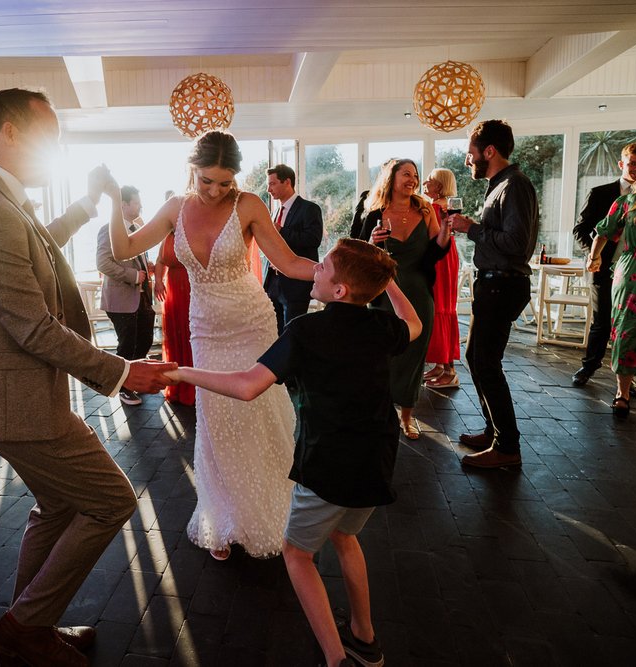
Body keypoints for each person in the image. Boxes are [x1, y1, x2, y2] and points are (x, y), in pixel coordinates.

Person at [0, 88, 175, 667]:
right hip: (16, 401)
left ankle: (32, 630)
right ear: (11, 133)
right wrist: (123, 372)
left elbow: (38, 248)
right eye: (51, 136)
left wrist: (89, 204)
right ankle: (23, 628)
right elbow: (33, 329)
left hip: (13, 396)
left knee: (58, 506)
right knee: (110, 501)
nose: (58, 148)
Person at [165, 239, 421, 667]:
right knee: (345, 535)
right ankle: (364, 636)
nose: (316, 270)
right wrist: (388, 282)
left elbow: (247, 386)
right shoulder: (381, 327)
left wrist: (180, 371)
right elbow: (411, 321)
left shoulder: (305, 330)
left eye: (324, 268)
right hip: (377, 458)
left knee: (297, 555)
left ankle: (336, 659)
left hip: (328, 461)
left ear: (339, 290)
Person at [108, 130, 318, 561]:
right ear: (193, 169)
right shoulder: (174, 209)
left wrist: (340, 271)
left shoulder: (249, 205)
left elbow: (290, 263)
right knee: (216, 422)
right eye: (207, 180)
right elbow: (124, 246)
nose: (216, 190)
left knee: (258, 415)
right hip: (205, 328)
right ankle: (223, 515)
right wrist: (114, 198)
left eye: (225, 182)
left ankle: (273, 509)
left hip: (252, 323)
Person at [449, 119, 539, 469]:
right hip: (493, 282)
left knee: (486, 362)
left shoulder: (514, 185)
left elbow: (518, 244)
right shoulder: (500, 184)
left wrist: (472, 228)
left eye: (470, 154)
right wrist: (477, 228)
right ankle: (494, 431)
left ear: (489, 151)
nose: (468, 161)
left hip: (503, 283)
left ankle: (507, 448)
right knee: (476, 358)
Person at [358, 159, 451, 439]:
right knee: (382, 355)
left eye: (415, 175)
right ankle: (380, 410)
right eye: (406, 174)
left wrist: (446, 231)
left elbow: (436, 251)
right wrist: (373, 241)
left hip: (419, 293)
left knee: (413, 356)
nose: (412, 179)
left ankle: (407, 417)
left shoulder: (424, 210)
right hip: (384, 294)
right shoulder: (375, 212)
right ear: (392, 178)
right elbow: (360, 251)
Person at [586, 150, 636, 423]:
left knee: (625, 332)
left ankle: (622, 396)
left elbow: (603, 232)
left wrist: (593, 257)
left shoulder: (627, 202)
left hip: (632, 275)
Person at [572, 141, 636, 395]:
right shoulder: (601, 193)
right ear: (621, 164)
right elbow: (580, 230)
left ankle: (628, 378)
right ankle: (589, 366)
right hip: (603, 268)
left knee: (633, 326)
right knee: (602, 322)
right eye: (632, 163)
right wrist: (596, 254)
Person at [96, 185, 156, 406]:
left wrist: (145, 265)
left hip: (141, 298)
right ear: (123, 205)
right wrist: (133, 275)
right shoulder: (108, 229)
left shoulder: (135, 229)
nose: (140, 206)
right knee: (127, 346)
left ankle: (137, 382)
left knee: (145, 340)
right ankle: (124, 389)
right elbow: (102, 263)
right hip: (121, 300)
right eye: (137, 202)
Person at [264, 164, 323, 332]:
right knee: (274, 333)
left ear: (287, 182)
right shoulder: (275, 212)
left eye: (272, 183)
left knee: (292, 334)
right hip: (273, 282)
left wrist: (282, 230)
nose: (269, 189)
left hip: (295, 285)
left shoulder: (309, 209)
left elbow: (313, 239)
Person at [422, 168, 462, 388]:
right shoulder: (444, 205)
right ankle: (440, 365)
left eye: (431, 180)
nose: (425, 182)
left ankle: (450, 371)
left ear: (440, 186)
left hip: (441, 258)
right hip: (447, 256)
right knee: (442, 306)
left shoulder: (437, 207)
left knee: (440, 307)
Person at [154, 223, 196, 406]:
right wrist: (158, 281)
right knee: (175, 335)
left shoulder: (194, 233)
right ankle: (176, 384)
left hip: (192, 290)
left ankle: (196, 385)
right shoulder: (166, 237)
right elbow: (160, 261)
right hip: (172, 292)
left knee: (190, 335)